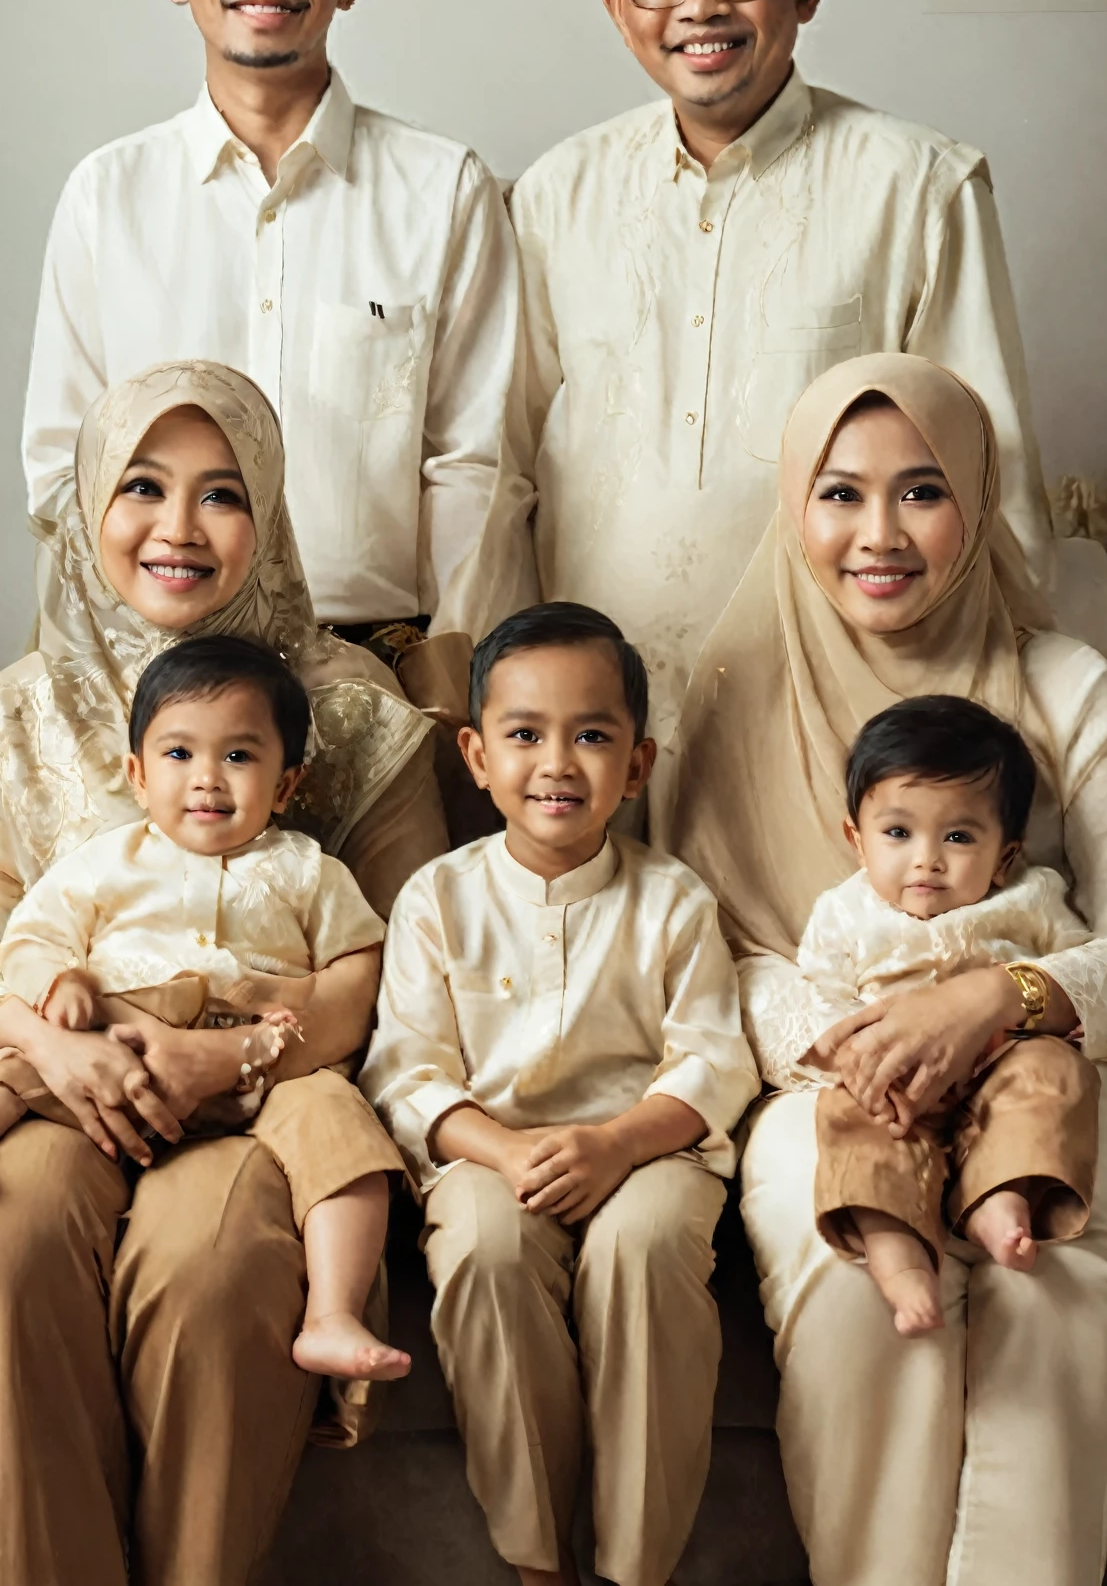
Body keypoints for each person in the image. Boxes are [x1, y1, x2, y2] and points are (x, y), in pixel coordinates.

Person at [0, 359, 447, 1586]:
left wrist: (238, 1052)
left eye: (224, 493)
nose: (180, 529)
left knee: (214, 1270)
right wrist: (52, 1043)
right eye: (143, 485)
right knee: (1, 1240)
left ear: (274, 513)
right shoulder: (14, 716)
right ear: (87, 503)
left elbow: (409, 955)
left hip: (261, 1090)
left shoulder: (352, 715)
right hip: (61, 1068)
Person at [664, 354, 1107, 1586]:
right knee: (855, 1277)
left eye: (923, 491)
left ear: (978, 499)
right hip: (834, 1070)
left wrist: (992, 1002)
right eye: (841, 494)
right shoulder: (738, 696)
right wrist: (861, 1044)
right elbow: (712, 948)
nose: (880, 535)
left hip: (1058, 1055)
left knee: (1054, 1273)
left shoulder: (1063, 684)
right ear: (796, 507)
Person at [461, 0, 1051, 767]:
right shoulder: (555, 196)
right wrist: (488, 687)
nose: (698, 5)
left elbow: (996, 476)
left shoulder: (919, 186)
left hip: (834, 720)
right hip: (600, 731)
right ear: (618, 2)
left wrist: (992, 747)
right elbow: (501, 468)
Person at [21, 0, 518, 699]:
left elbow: (472, 466)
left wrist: (450, 679)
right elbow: (62, 464)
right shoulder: (108, 194)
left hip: (383, 674)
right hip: (157, 681)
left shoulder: (443, 188)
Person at [0, 634, 411, 1384]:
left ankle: (332, 1312)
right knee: (15, 1072)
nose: (208, 781)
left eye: (240, 757)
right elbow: (29, 942)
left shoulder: (308, 871)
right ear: (137, 773)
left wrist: (285, 1022)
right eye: (180, 755)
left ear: (287, 786)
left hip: (259, 1061)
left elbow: (361, 961)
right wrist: (61, 984)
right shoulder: (104, 862)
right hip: (111, 1039)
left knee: (342, 1132)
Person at [360, 603, 758, 1586]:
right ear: (476, 754)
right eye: (525, 735)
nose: (557, 764)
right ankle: (538, 1561)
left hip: (648, 1150)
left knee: (648, 1245)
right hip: (487, 1155)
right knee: (487, 1252)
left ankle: (635, 1566)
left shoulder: (672, 900)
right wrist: (500, 1152)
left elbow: (714, 1060)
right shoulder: (436, 900)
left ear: (639, 764)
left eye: (592, 736)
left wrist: (617, 1145)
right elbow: (406, 1070)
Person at [797, 694, 1099, 1337]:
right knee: (849, 1118)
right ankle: (898, 1255)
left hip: (1001, 1061)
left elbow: (1074, 975)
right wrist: (856, 1062)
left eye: (959, 836)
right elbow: (819, 994)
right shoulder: (845, 912)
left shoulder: (1033, 899)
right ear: (857, 840)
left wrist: (1037, 1019)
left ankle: (1000, 1197)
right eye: (898, 833)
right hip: (896, 1082)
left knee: (1055, 1073)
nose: (927, 859)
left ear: (1007, 854)